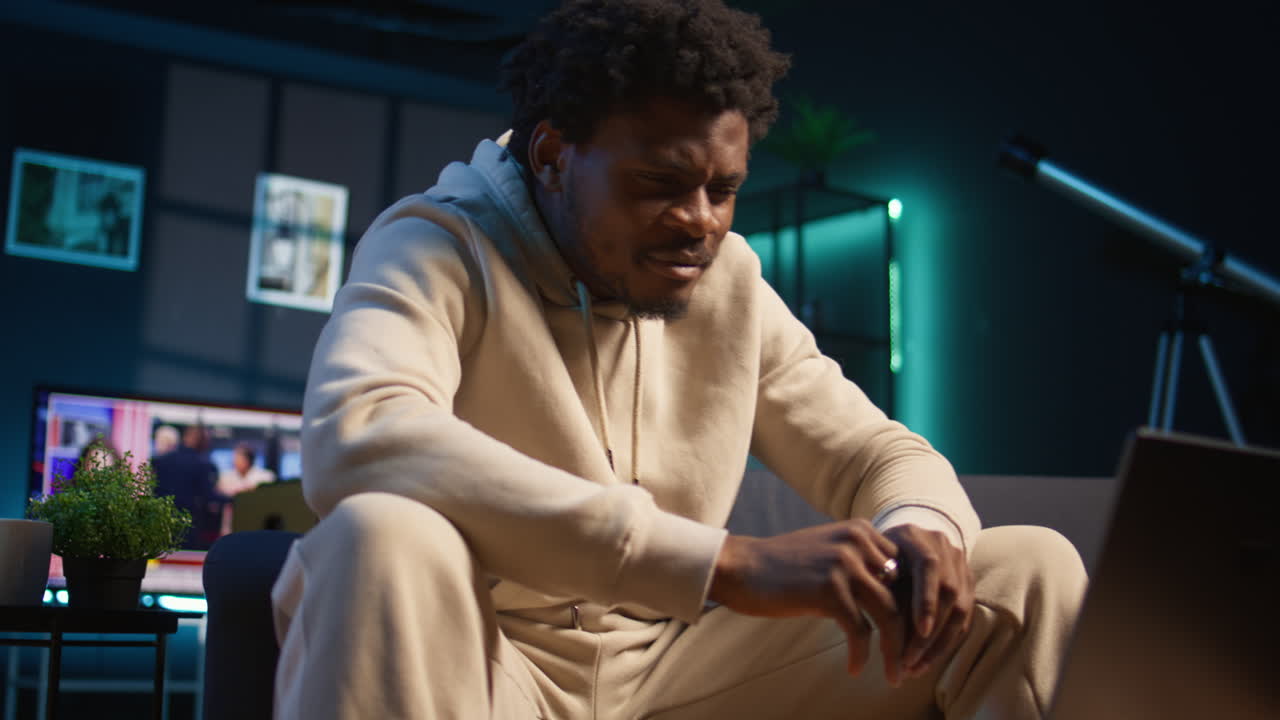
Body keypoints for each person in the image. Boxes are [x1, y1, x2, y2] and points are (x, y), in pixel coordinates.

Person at [271, 1, 1087, 718]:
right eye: (660, 183)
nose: (699, 221)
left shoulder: (725, 282)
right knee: (381, 533)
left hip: (676, 669)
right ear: (554, 156)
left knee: (1029, 575)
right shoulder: (438, 246)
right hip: (485, 661)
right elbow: (362, 434)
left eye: (723, 190)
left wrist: (922, 528)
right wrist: (722, 563)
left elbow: (877, 453)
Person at [152, 425, 219, 549]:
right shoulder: (202, 464)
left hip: (159, 524)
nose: (207, 444)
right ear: (198, 440)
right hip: (187, 527)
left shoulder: (160, 461)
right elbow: (208, 496)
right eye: (205, 440)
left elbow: (153, 491)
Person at [215, 442, 277, 534]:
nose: (234, 461)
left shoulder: (265, 477)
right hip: (230, 524)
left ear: (248, 459)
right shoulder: (226, 477)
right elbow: (217, 496)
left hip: (255, 523)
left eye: (237, 457)